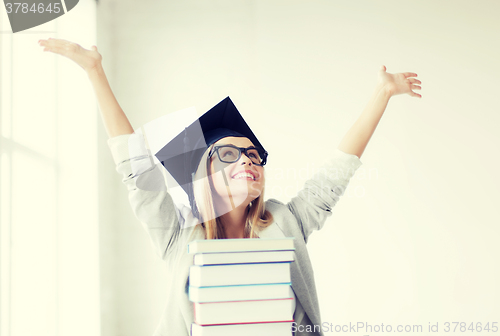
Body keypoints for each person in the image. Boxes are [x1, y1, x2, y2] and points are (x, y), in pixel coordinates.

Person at [38, 38, 422, 336]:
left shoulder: (285, 223)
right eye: (229, 155)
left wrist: (382, 93)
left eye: (253, 156)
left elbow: (333, 176)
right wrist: (95, 72)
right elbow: (136, 170)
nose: (247, 161)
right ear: (204, 173)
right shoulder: (178, 236)